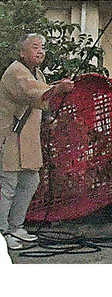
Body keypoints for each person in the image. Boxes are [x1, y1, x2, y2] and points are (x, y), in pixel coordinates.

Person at [0, 33, 73, 251]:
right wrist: (58, 88)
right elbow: (33, 93)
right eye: (34, 47)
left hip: (28, 139)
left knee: (30, 182)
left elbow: (40, 101)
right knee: (7, 187)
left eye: (42, 47)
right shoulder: (15, 72)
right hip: (10, 137)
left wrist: (48, 117)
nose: (40, 51)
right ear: (22, 52)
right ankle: (2, 232)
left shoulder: (37, 73)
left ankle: (15, 226)